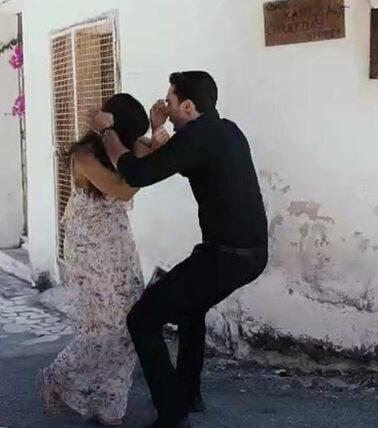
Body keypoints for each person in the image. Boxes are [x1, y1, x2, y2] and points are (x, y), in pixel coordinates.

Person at [88, 71, 269, 428]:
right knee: (190, 309)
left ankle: (172, 414)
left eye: (170, 102)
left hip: (225, 257)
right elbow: (173, 160)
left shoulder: (196, 139)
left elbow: (137, 173)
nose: (166, 108)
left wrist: (106, 131)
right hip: (248, 254)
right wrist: (157, 127)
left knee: (142, 320)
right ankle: (188, 395)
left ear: (188, 106)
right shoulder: (227, 130)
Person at [38, 93, 167, 426]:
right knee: (102, 328)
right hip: (88, 248)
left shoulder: (126, 146)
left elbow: (148, 160)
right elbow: (122, 188)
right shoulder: (83, 155)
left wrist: (155, 131)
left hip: (118, 243)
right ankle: (57, 376)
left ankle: (110, 406)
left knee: (132, 323)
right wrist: (145, 149)